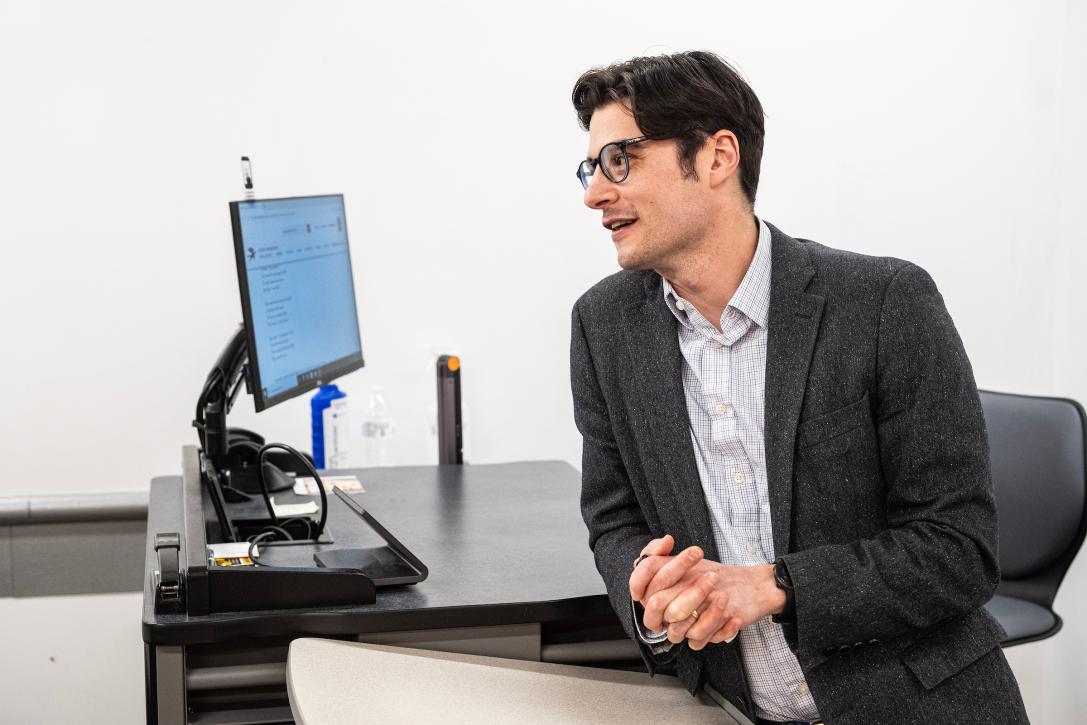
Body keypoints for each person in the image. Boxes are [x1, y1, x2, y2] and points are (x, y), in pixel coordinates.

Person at [569, 51, 1029, 725]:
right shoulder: (603, 324)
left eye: (620, 160)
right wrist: (651, 587)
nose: (594, 193)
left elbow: (957, 548)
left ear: (717, 156)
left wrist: (774, 586)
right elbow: (613, 517)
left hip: (914, 703)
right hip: (736, 705)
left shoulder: (882, 302)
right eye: (590, 168)